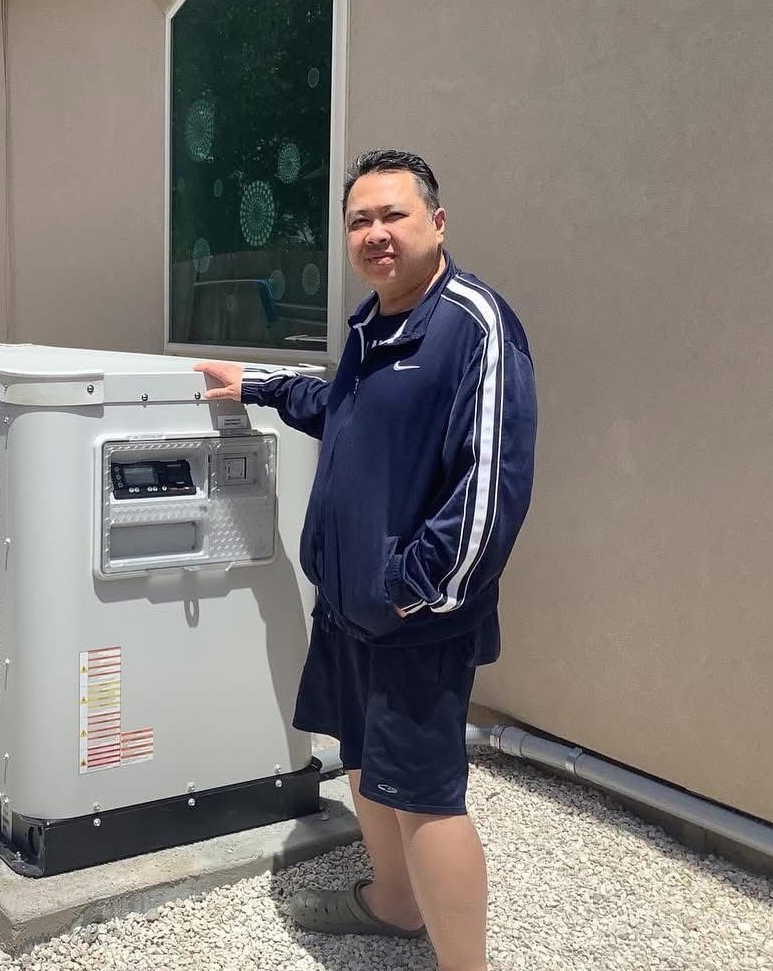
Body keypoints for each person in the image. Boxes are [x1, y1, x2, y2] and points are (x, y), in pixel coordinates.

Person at [196, 149, 537, 971]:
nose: (375, 234)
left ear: (437, 223)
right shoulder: (374, 322)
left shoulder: (472, 325)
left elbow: (492, 489)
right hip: (348, 603)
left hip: (416, 619)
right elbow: (343, 408)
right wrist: (260, 386)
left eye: (393, 216)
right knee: (360, 758)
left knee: (426, 797)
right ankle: (392, 904)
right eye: (359, 221)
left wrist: (411, 591)